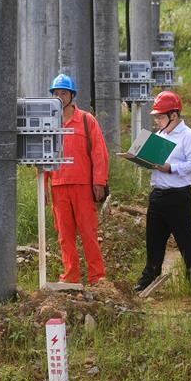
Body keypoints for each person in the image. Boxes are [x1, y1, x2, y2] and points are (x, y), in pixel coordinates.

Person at [133, 90, 191, 293]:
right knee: (153, 240)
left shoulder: (189, 137)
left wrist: (171, 168)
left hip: (178, 196)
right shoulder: (159, 135)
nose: (157, 120)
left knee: (185, 240)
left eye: (160, 116)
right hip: (158, 194)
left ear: (174, 115)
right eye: (156, 117)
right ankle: (149, 277)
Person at [45, 74, 109, 285]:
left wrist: (99, 182)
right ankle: (70, 276)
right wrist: (44, 186)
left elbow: (99, 153)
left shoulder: (86, 120)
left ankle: (97, 277)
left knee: (88, 233)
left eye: (64, 93)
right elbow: (42, 156)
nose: (59, 97)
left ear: (72, 95)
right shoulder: (48, 122)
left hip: (83, 186)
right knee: (65, 235)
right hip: (58, 186)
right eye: (56, 93)